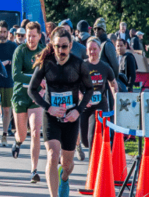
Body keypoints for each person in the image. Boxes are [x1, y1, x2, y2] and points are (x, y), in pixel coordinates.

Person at [28, 28, 94, 197]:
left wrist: (78, 111)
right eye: (58, 47)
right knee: (52, 154)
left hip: (71, 118)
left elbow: (89, 90)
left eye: (65, 47)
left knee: (67, 163)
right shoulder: (46, 63)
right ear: (53, 46)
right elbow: (31, 90)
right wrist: (48, 107)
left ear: (70, 46)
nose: (61, 51)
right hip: (51, 116)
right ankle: (53, 195)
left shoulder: (79, 65)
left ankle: (64, 178)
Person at [10, 21, 45, 183]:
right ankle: (17, 142)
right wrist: (36, 79)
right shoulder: (20, 51)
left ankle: (34, 170)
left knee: (36, 131)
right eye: (28, 36)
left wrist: (42, 84)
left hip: (35, 97)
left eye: (33, 36)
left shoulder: (43, 52)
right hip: (20, 97)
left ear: (39, 36)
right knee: (23, 135)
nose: (30, 39)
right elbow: (16, 75)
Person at [79, 38, 117, 158]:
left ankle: (92, 168)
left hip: (100, 105)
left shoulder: (105, 67)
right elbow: (74, 86)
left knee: (93, 135)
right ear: (86, 51)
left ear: (100, 50)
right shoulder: (82, 66)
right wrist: (81, 97)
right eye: (90, 49)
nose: (92, 52)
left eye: (95, 49)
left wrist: (116, 100)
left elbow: (113, 84)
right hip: (85, 106)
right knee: (85, 140)